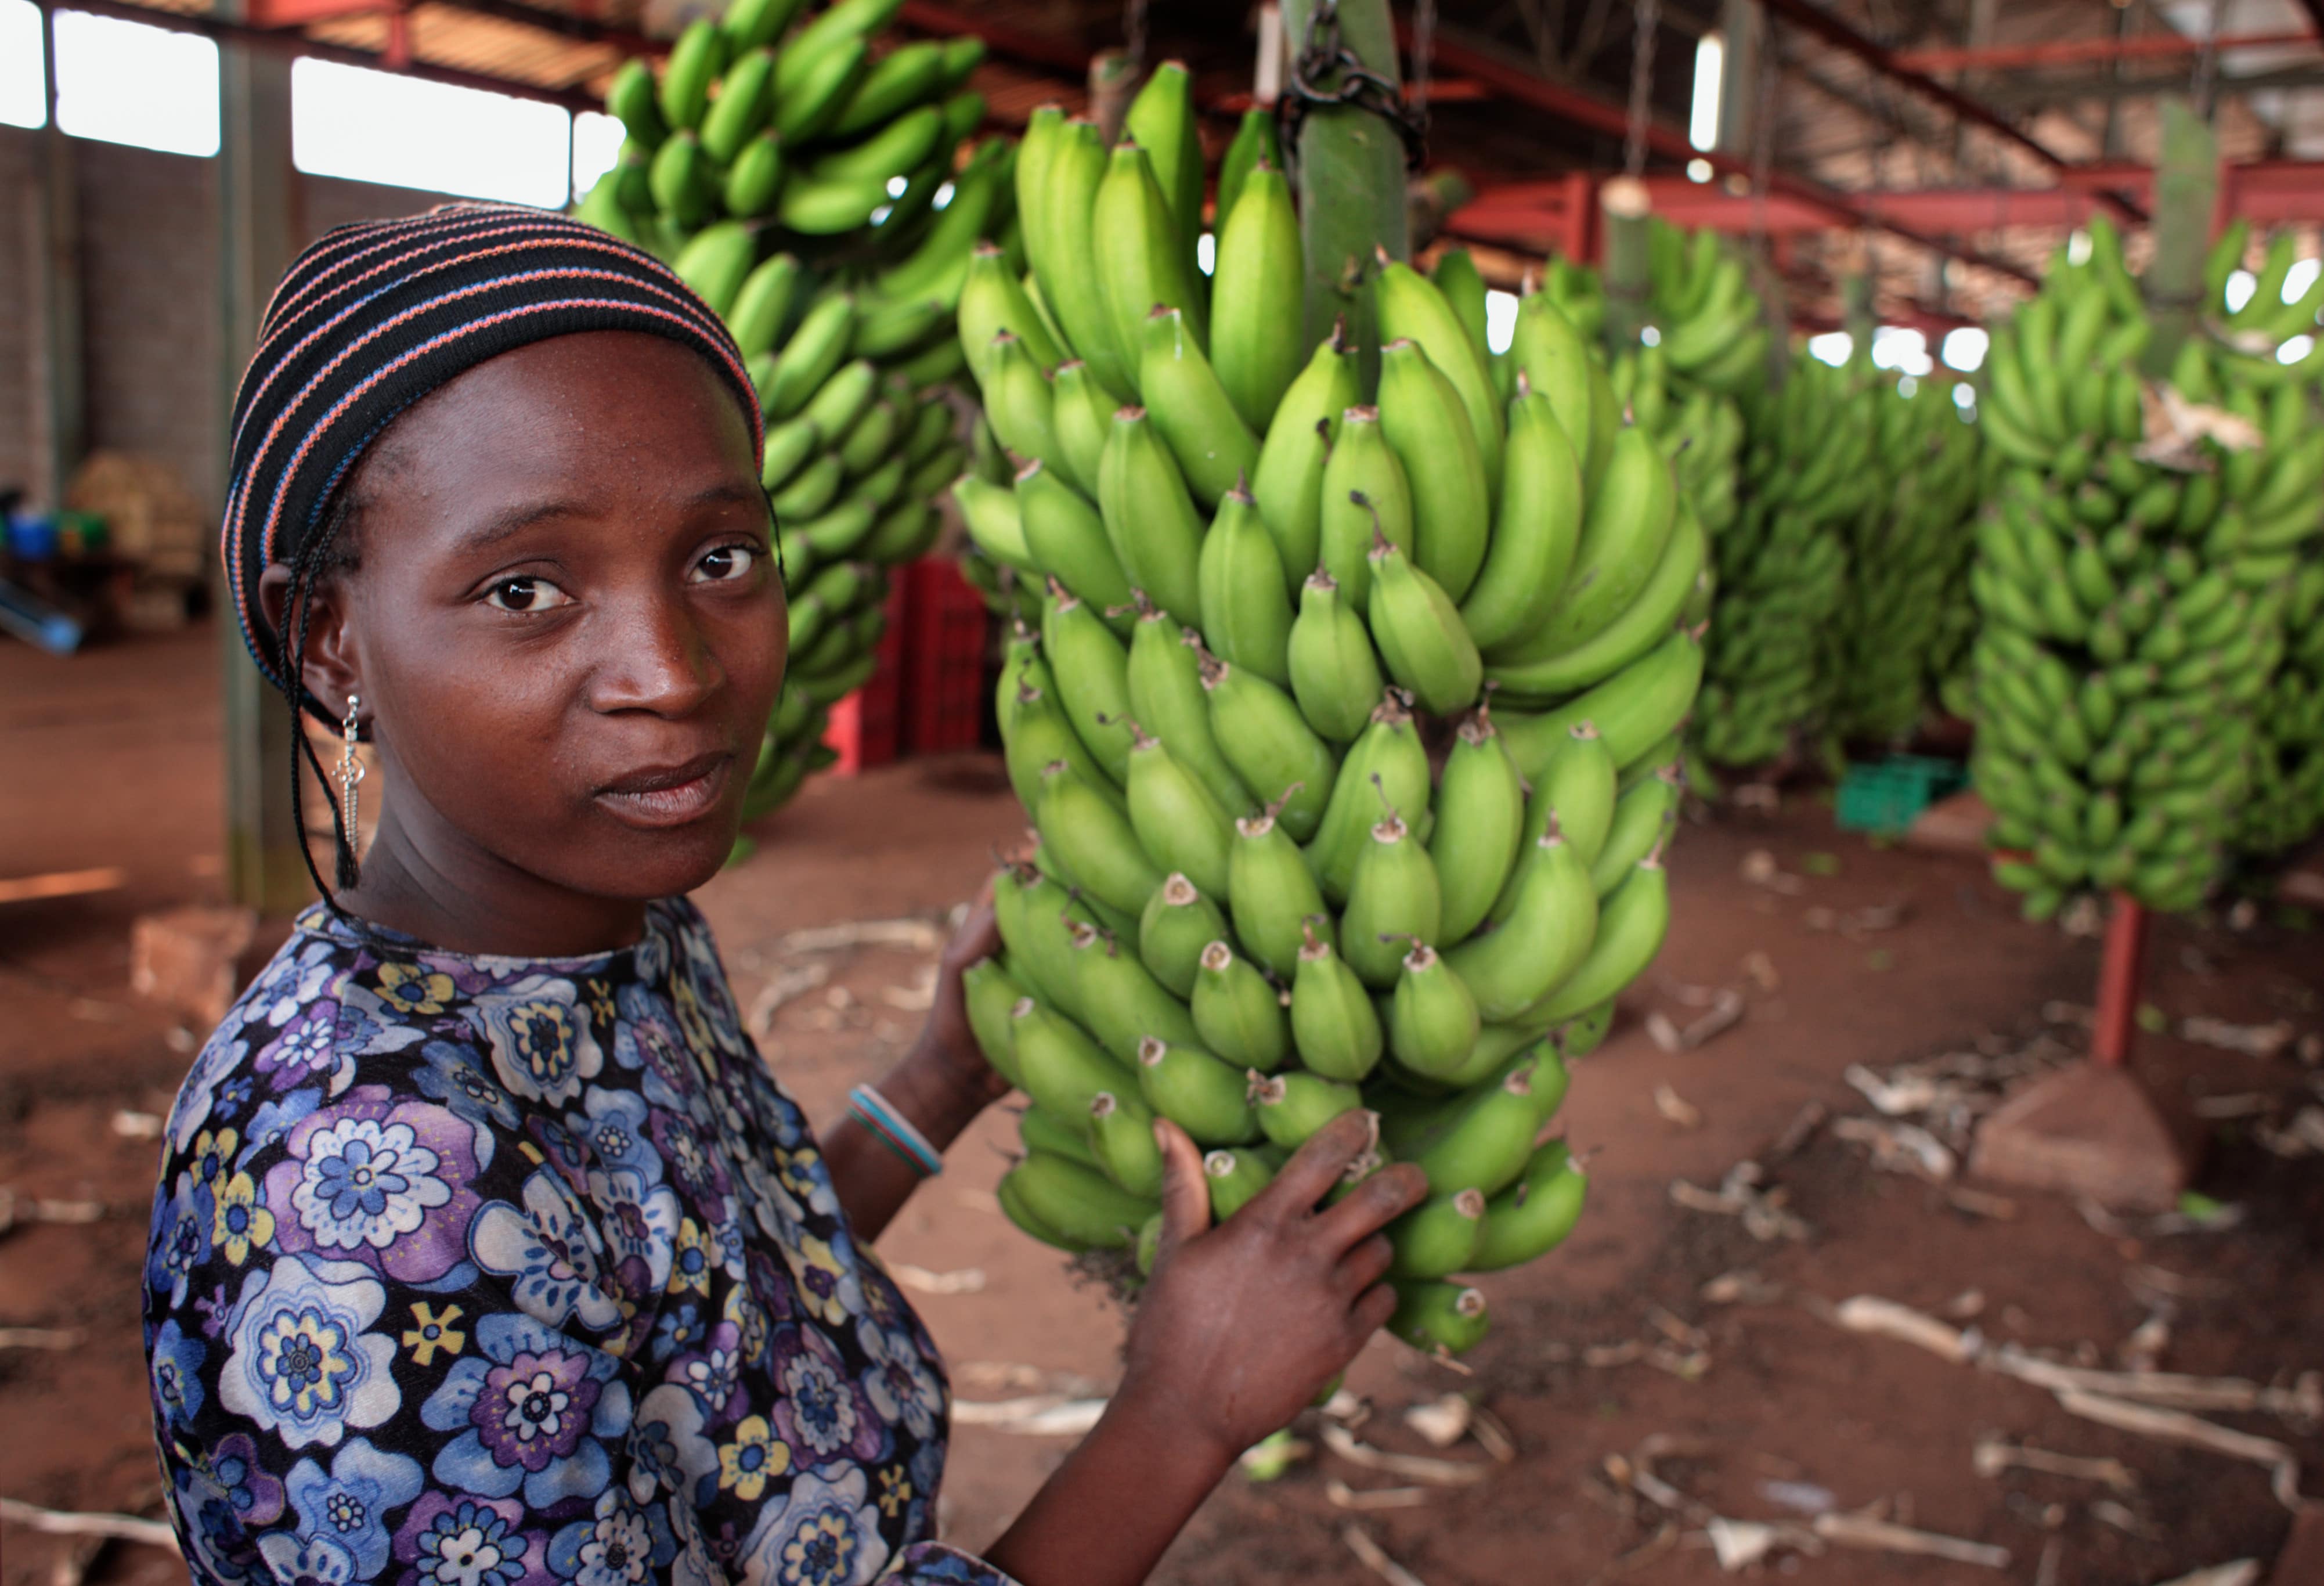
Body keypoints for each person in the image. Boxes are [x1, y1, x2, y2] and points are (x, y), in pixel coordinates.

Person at [143, 204, 1428, 1586]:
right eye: (527, 588)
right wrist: (1182, 1411)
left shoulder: (610, 937)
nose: (676, 671)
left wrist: (931, 1084)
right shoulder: (362, 1211)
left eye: (718, 559)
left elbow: (702, 1311)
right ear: (329, 640)